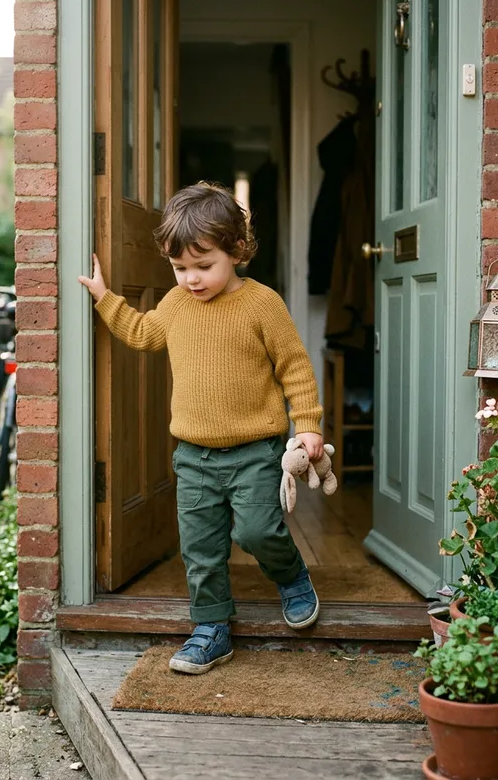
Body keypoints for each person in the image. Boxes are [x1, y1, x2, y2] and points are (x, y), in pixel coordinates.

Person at [78, 182, 324, 675]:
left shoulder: (262, 303)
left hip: (255, 449)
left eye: (203, 265)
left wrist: (309, 424)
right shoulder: (175, 304)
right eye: (179, 267)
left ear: (237, 250)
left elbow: (294, 367)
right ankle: (211, 628)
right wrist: (104, 298)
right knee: (201, 547)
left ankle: (292, 575)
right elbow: (143, 333)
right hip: (194, 455)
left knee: (257, 530)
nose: (191, 278)